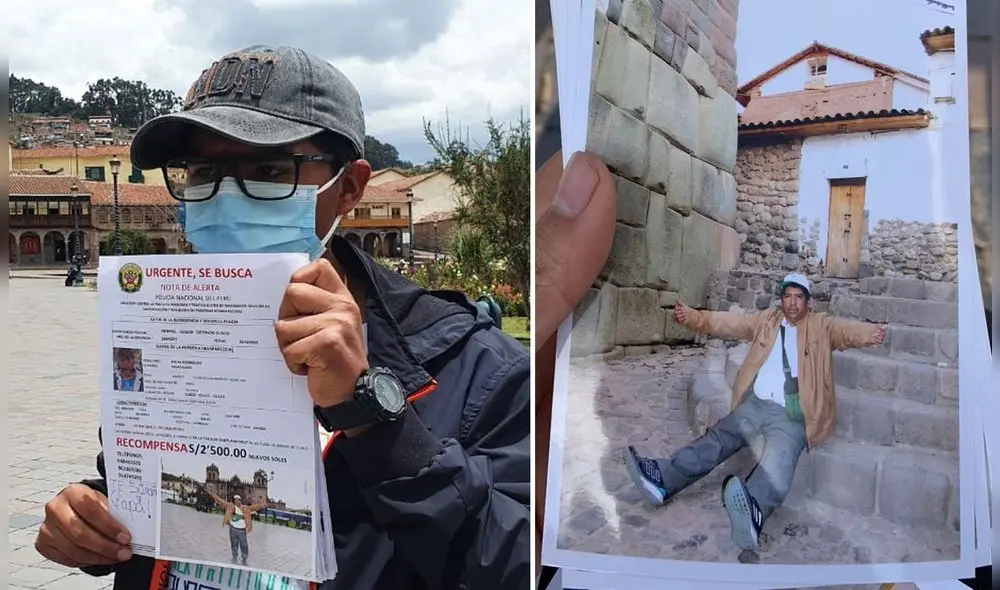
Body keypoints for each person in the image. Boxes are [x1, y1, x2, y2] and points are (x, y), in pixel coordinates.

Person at [34, 45, 530, 590]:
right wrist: (93, 519)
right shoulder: (165, 329)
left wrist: (371, 415)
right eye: (202, 172)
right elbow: (142, 493)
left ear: (349, 188)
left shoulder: (482, 370)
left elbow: (513, 566)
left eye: (268, 170)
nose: (225, 197)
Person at [624, 275, 886, 552]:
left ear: (808, 301)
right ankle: (662, 480)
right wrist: (694, 318)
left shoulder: (822, 326)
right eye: (788, 296)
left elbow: (846, 332)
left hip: (793, 415)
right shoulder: (766, 321)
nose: (793, 303)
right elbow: (729, 323)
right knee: (717, 439)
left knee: (779, 461)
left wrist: (870, 334)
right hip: (756, 404)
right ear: (781, 299)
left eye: (799, 297)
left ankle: (753, 511)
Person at [203, 492, 268, 566]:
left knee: (244, 545)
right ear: (234, 501)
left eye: (239, 500)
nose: (237, 501)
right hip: (233, 529)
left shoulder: (245, 508)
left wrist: (261, 505)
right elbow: (221, 501)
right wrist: (214, 495)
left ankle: (244, 559)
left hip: (242, 530)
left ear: (241, 501)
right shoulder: (230, 506)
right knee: (234, 544)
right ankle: (234, 557)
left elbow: (254, 507)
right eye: (236, 500)